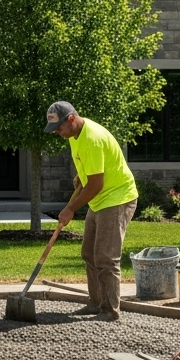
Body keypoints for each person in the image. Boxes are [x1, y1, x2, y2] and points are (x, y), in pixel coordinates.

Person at [47, 101, 138, 321]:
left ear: (71, 119)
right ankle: (96, 303)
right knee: (89, 253)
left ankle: (110, 311)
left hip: (117, 199)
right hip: (100, 200)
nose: (57, 132)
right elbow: (91, 170)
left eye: (59, 127)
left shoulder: (92, 138)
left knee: (106, 257)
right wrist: (82, 175)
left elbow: (96, 184)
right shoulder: (74, 135)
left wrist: (70, 208)